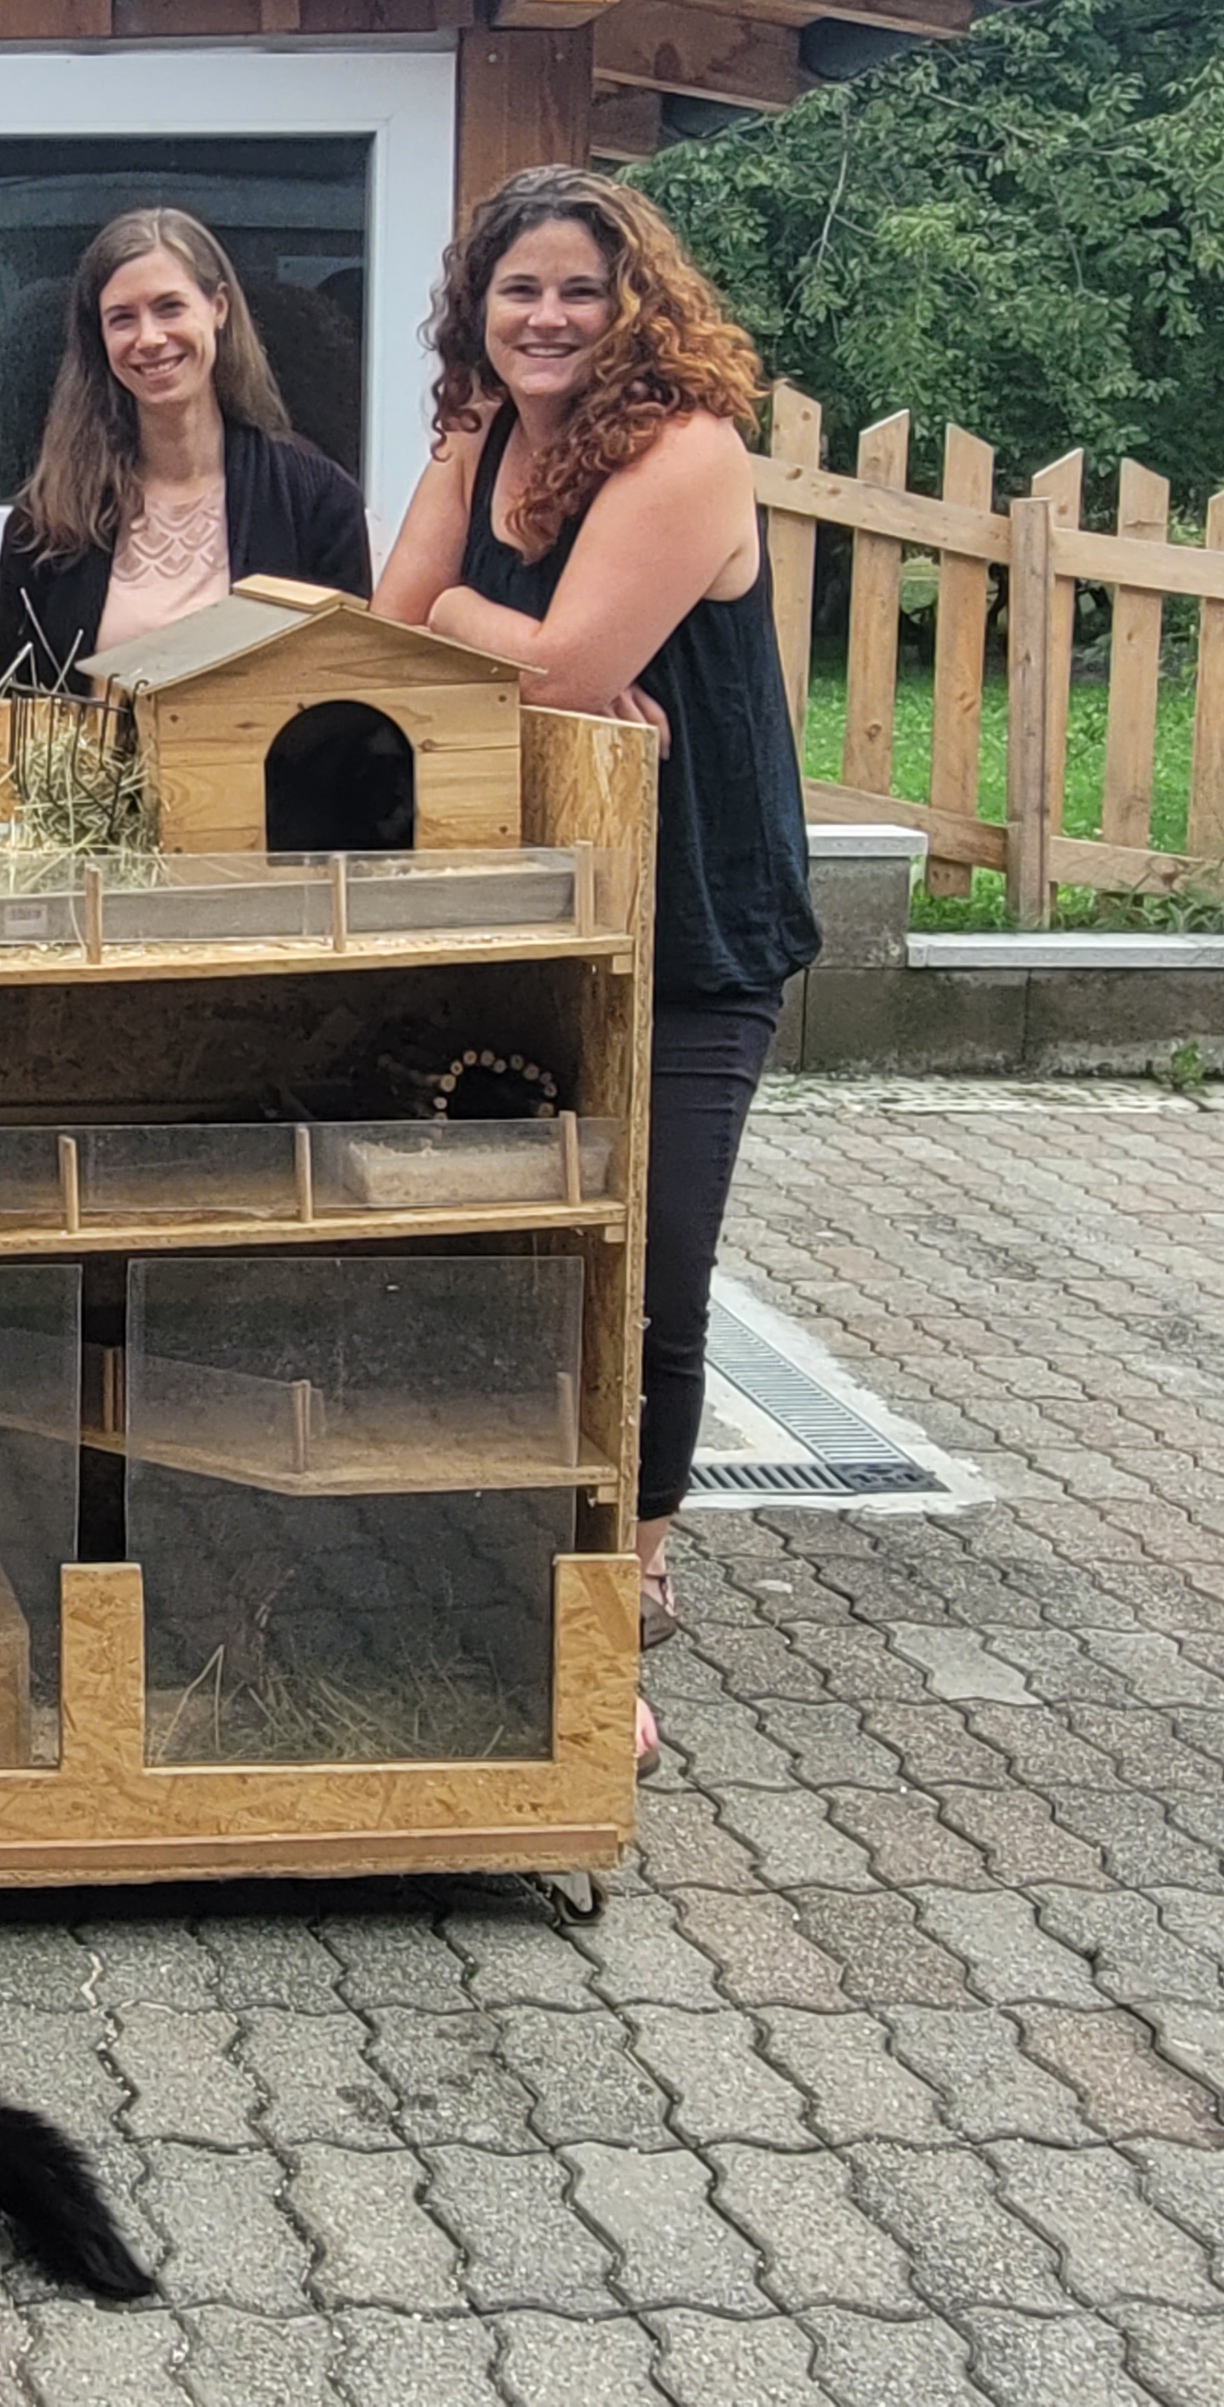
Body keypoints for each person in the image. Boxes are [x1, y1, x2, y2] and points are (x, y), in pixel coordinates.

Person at [370, 164, 821, 1766]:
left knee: (654, 1259)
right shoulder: (477, 436)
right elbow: (384, 629)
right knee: (532, 1242)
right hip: (535, 895)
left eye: (579, 287)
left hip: (692, 913)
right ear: (476, 309)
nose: (547, 316)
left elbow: (554, 664)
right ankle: (527, 1548)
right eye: (519, 289)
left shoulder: (687, 450)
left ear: (638, 302)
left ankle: (627, 1585)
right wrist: (498, 640)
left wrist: (481, 624)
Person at [0, 207, 373, 687]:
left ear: (218, 308)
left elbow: (347, 692)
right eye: (122, 319)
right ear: (99, 337)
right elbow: (12, 698)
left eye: (169, 307)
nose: (149, 338)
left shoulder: (317, 502)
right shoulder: (47, 521)